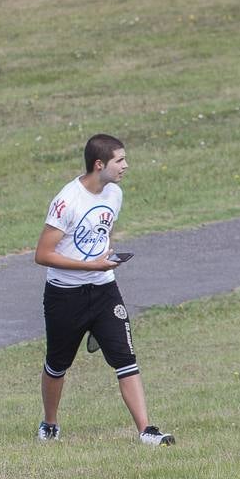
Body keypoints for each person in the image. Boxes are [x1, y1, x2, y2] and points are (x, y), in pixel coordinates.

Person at [33, 134, 174, 446]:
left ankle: (147, 431)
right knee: (57, 364)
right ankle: (50, 423)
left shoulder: (114, 194)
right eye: (119, 160)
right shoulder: (67, 201)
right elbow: (42, 254)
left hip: (104, 291)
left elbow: (102, 231)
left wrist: (105, 256)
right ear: (99, 165)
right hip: (65, 296)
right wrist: (91, 266)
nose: (126, 165)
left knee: (126, 359)